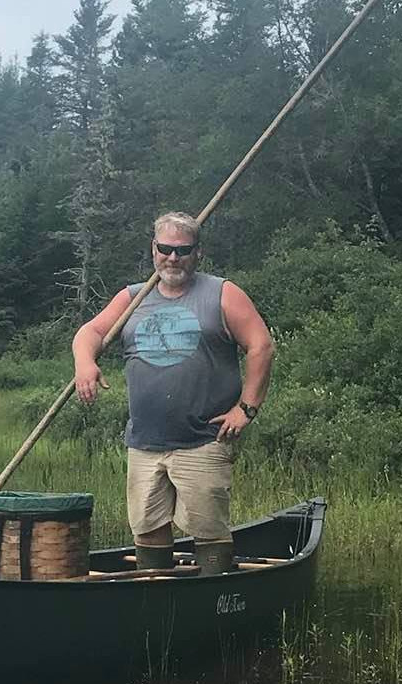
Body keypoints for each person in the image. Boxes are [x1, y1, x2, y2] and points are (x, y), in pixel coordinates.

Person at [72, 211, 274, 574]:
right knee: (148, 530)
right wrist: (85, 362)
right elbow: (90, 333)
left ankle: (214, 603)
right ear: (153, 249)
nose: (173, 258)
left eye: (183, 250)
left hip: (203, 440)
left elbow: (261, 346)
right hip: (144, 443)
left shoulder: (222, 293)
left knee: (208, 531)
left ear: (198, 252)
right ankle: (155, 608)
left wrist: (246, 409)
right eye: (165, 248)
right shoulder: (133, 298)